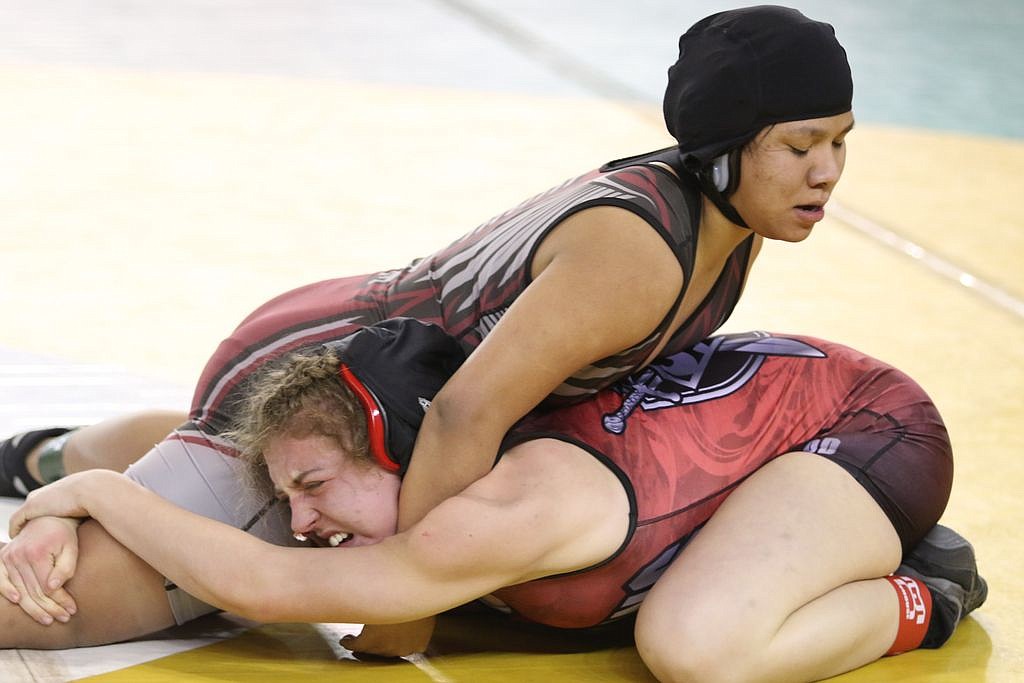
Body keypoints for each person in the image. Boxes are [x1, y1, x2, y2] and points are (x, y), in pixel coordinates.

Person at [1, 5, 860, 652]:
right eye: (799, 145)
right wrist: (400, 619)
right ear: (724, 146)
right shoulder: (639, 255)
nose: (826, 171)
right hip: (323, 390)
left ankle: (48, 453)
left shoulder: (724, 220)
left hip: (352, 359)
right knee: (52, 610)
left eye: (839, 141)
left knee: (208, 461)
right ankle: (67, 480)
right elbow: (461, 416)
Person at [3, 318, 986, 682]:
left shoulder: (507, 507)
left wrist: (92, 493)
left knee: (701, 648)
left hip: (859, 427)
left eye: (313, 485)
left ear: (401, 447)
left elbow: (261, 583)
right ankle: (38, 455)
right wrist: (55, 496)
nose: (304, 521)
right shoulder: (418, 462)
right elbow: (194, 435)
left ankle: (920, 590)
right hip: (743, 434)